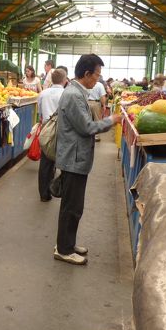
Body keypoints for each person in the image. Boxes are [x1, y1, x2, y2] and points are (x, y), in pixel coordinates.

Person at [54, 54, 122, 265]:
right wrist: (111, 120)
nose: (98, 80)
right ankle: (64, 249)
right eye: (97, 76)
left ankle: (67, 243)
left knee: (73, 205)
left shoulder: (77, 92)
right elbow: (87, 128)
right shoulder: (74, 95)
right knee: (72, 207)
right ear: (86, 74)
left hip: (76, 157)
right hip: (74, 159)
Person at [36, 68, 67, 202]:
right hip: (63, 131)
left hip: (46, 131)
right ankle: (59, 190)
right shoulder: (66, 94)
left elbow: (39, 113)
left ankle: (44, 194)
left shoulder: (43, 93)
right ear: (64, 80)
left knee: (46, 162)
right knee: (65, 162)